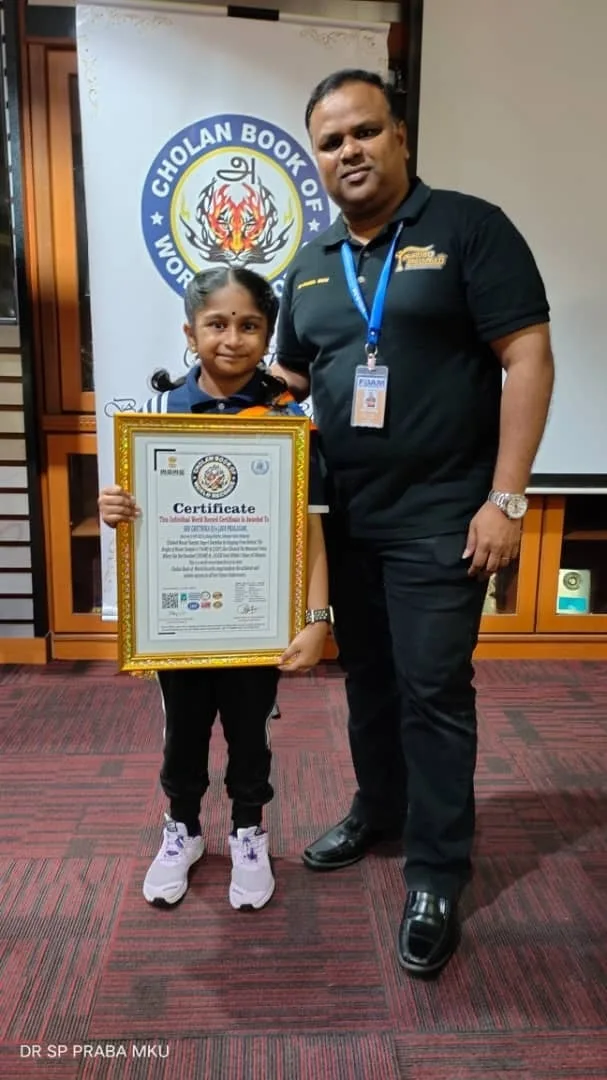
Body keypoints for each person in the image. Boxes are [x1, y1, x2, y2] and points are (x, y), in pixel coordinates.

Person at [273, 69, 554, 975]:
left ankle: (435, 872)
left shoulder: (469, 228)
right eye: (329, 141)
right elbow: (292, 385)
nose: (348, 151)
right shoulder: (310, 262)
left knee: (432, 691)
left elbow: (526, 356)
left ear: (399, 136)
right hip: (346, 518)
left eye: (363, 131)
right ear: (316, 159)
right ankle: (379, 809)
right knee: (368, 681)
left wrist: (505, 499)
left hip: (443, 516)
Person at [99, 267, 330, 911]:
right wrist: (115, 508)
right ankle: (182, 829)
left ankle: (249, 832)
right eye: (217, 324)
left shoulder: (288, 420)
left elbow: (311, 527)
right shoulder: (157, 415)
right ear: (190, 332)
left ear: (268, 335)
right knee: (184, 733)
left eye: (249, 325)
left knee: (250, 733)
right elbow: (139, 515)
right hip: (183, 621)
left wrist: (317, 617)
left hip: (256, 618)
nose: (232, 338)